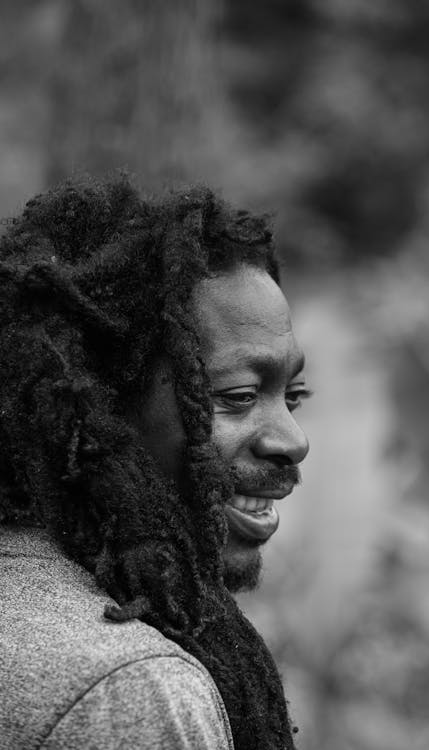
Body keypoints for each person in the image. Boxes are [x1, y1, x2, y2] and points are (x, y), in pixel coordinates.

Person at [0, 176, 310, 750]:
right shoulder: (127, 691)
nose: (294, 441)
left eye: (292, 397)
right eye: (238, 395)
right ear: (98, 404)